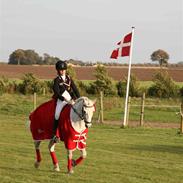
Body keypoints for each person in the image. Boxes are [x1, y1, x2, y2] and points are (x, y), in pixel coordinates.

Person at [51, 60, 80, 143]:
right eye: (60, 70)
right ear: (58, 70)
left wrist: (79, 98)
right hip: (61, 100)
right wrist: (63, 99)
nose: (62, 71)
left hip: (70, 99)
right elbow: (56, 92)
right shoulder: (57, 80)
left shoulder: (69, 79)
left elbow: (75, 89)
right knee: (57, 115)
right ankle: (54, 134)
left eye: (63, 70)